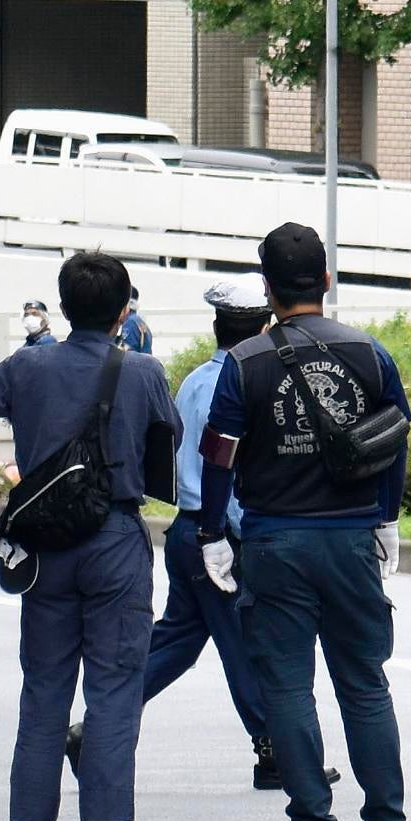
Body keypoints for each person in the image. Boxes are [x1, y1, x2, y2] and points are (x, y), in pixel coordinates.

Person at [199, 223, 411, 821]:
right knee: (365, 682)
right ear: (325, 279)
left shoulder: (243, 365)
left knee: (288, 684)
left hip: (274, 541)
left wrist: (214, 532)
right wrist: (388, 515)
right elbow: (395, 442)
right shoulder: (370, 353)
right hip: (351, 540)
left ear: (267, 289)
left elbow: (218, 458)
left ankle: (313, 819)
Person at [0, 251, 179, 821]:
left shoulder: (27, 365)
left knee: (44, 681)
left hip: (45, 541)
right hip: (116, 538)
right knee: (115, 679)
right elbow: (169, 438)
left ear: (63, 307)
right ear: (124, 309)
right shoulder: (145, 371)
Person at [112, 275, 279, 789]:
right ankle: (275, 752)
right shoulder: (241, 384)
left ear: (216, 326)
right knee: (247, 645)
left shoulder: (192, 382)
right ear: (265, 329)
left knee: (176, 645)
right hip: (217, 535)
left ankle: (97, 725)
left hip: (186, 531)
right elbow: (224, 477)